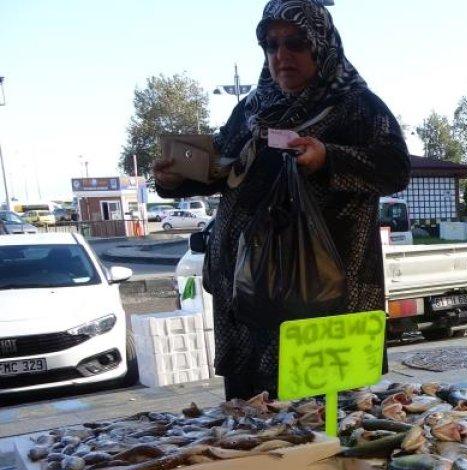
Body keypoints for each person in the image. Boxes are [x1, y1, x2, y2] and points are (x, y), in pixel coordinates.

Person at [152, 0, 410, 401]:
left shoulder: (355, 106)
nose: (281, 55)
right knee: (251, 426)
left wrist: (329, 158)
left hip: (321, 301)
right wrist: (175, 180)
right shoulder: (254, 108)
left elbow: (395, 169)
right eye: (271, 45)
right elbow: (225, 167)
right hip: (246, 303)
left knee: (324, 428)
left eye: (295, 43)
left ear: (321, 45)